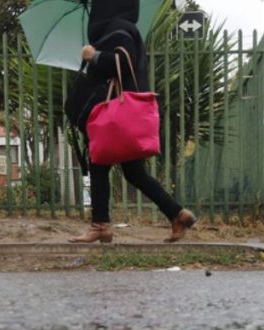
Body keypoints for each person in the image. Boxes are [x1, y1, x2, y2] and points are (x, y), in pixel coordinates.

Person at [67, 0, 195, 244]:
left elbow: (124, 62)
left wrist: (94, 56)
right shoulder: (122, 28)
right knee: (134, 173)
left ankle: (100, 225)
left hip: (115, 114)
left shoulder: (119, 29)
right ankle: (177, 214)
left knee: (98, 161)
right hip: (123, 114)